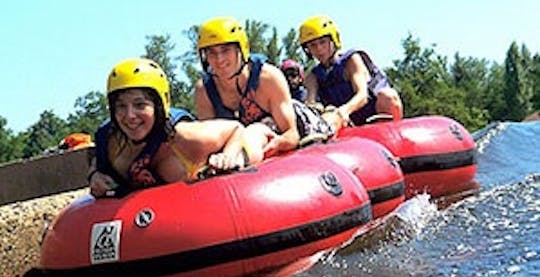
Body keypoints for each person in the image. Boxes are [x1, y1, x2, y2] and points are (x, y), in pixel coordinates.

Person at [88, 58, 259, 198]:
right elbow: (96, 161)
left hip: (205, 163)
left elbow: (236, 129)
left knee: (254, 138)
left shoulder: (185, 136)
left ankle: (267, 131)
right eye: (121, 106)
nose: (130, 115)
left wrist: (228, 155)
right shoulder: (110, 139)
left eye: (140, 105)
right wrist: (94, 175)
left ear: (159, 106)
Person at [194, 17, 333, 158]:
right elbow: (211, 143)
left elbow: (291, 135)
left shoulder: (268, 77)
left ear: (241, 49)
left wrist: (277, 143)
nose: (219, 59)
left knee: (258, 129)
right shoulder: (204, 91)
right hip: (238, 148)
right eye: (211, 52)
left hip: (296, 126)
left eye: (225, 50)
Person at [299, 15, 403, 131]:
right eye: (313, 45)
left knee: (388, 96)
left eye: (323, 42)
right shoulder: (312, 76)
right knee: (328, 116)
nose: (319, 49)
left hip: (372, 114)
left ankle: (393, 135)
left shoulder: (351, 60)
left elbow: (362, 96)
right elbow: (311, 102)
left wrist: (343, 111)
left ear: (333, 40)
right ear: (307, 50)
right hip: (346, 123)